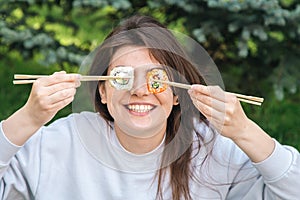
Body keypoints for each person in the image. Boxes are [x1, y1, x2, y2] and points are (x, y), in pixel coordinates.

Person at [0, 15, 299, 200]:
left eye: (157, 77)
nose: (139, 90)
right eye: (122, 77)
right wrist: (28, 118)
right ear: (103, 91)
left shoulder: (213, 151)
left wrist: (246, 131)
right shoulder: (58, 143)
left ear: (178, 95)